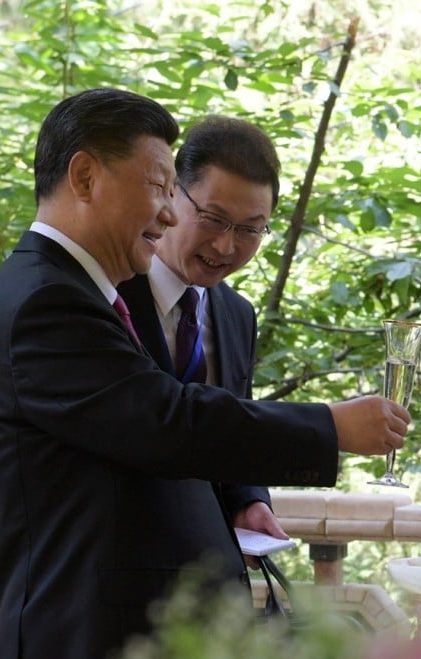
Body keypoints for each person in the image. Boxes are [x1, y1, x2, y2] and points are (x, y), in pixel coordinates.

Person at [0, 89, 410, 659]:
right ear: (84, 177)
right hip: (90, 640)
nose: (167, 215)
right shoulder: (47, 301)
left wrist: (245, 499)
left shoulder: (74, 288)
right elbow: (168, 421)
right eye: (159, 189)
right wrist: (329, 426)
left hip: (170, 635)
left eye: (251, 229)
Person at [118, 116, 289, 563]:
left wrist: (249, 501)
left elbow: (234, 431)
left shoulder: (237, 315)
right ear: (171, 194)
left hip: (211, 589)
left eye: (251, 229)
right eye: (214, 219)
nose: (227, 247)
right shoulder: (107, 295)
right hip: (119, 579)